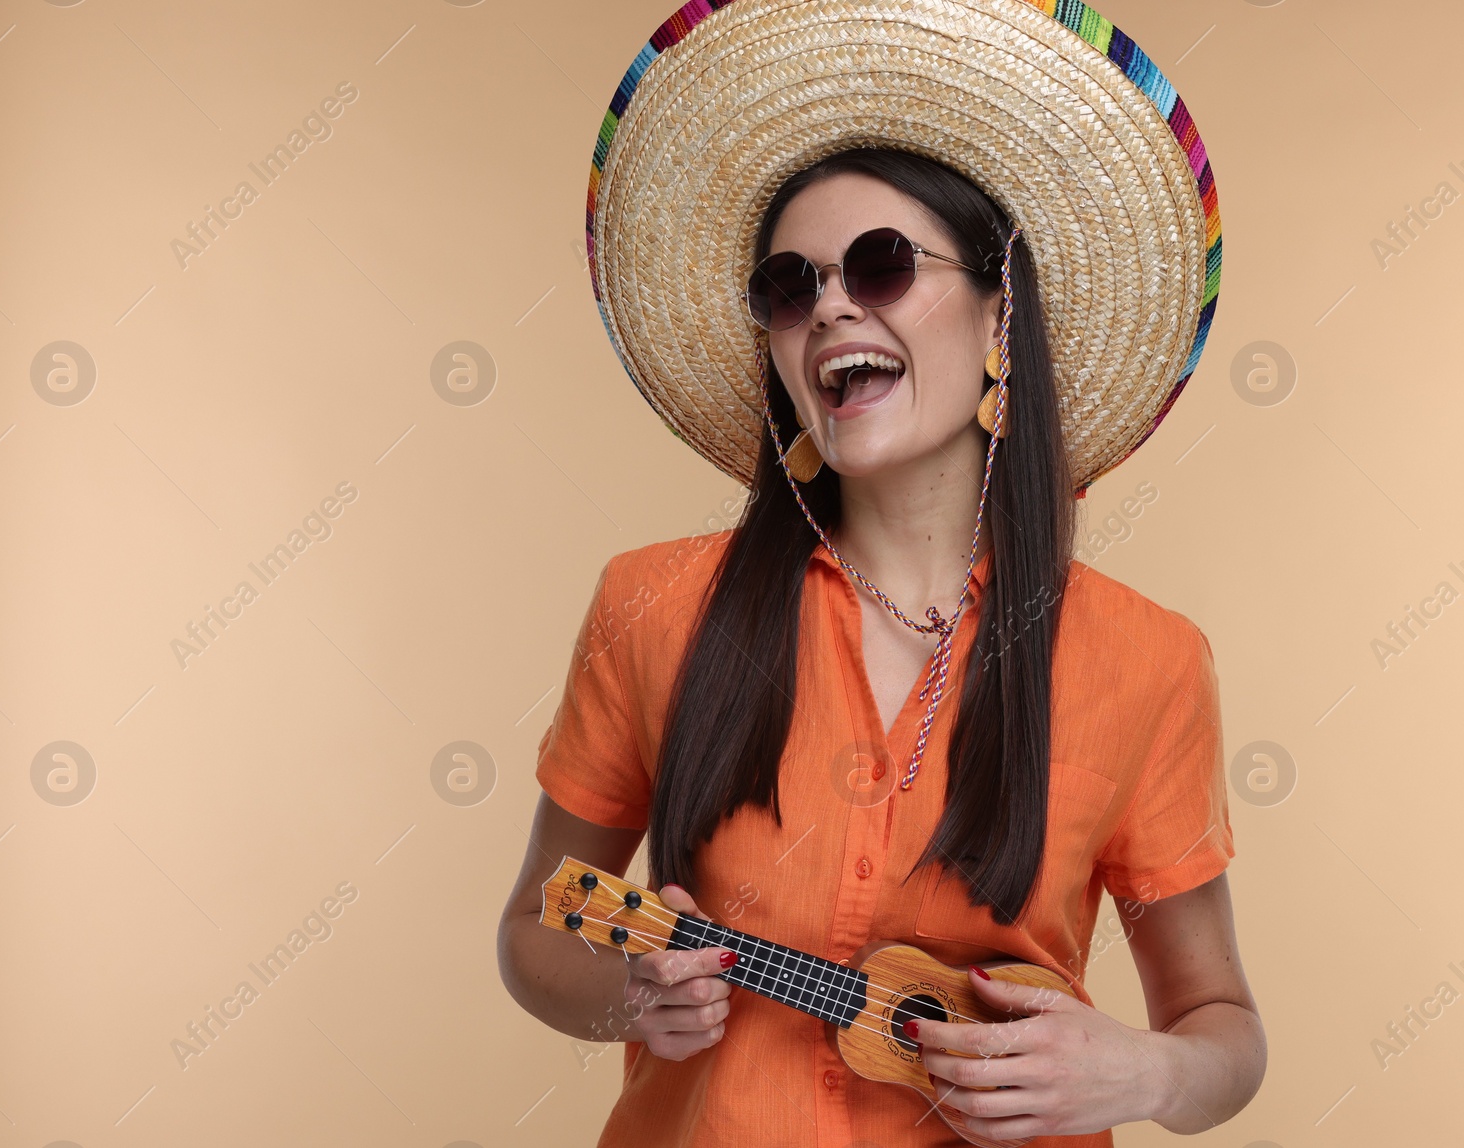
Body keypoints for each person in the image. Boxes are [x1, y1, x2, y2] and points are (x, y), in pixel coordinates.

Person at [498, 1, 1266, 1144]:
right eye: (788, 287)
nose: (830, 308)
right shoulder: (651, 605)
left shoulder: (1147, 661)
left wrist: (1143, 1074)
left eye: (882, 265)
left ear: (1002, 316)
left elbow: (1222, 1026)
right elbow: (535, 929)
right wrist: (631, 997)